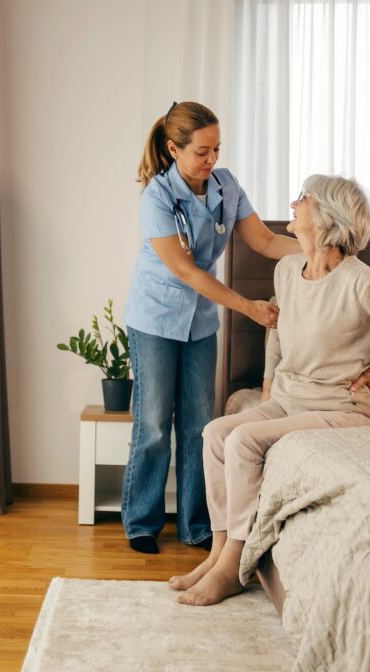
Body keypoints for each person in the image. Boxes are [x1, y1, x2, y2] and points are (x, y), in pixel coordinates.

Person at [170, 174, 370, 604]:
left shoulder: (364, 283)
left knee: (244, 441)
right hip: (289, 399)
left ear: (327, 216)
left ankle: (236, 563)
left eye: (303, 198)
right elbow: (277, 334)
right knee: (217, 433)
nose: (293, 203)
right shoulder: (288, 268)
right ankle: (218, 554)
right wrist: (268, 397)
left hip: (341, 408)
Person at [122, 101, 301, 555]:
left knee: (201, 425)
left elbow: (262, 239)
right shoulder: (157, 197)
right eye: (203, 151)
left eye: (217, 149)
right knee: (155, 424)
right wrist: (247, 307)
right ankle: (141, 521)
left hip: (200, 320)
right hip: (156, 318)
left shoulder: (226, 185)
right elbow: (186, 271)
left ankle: (197, 524)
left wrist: (315, 250)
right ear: (174, 149)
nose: (212, 160)